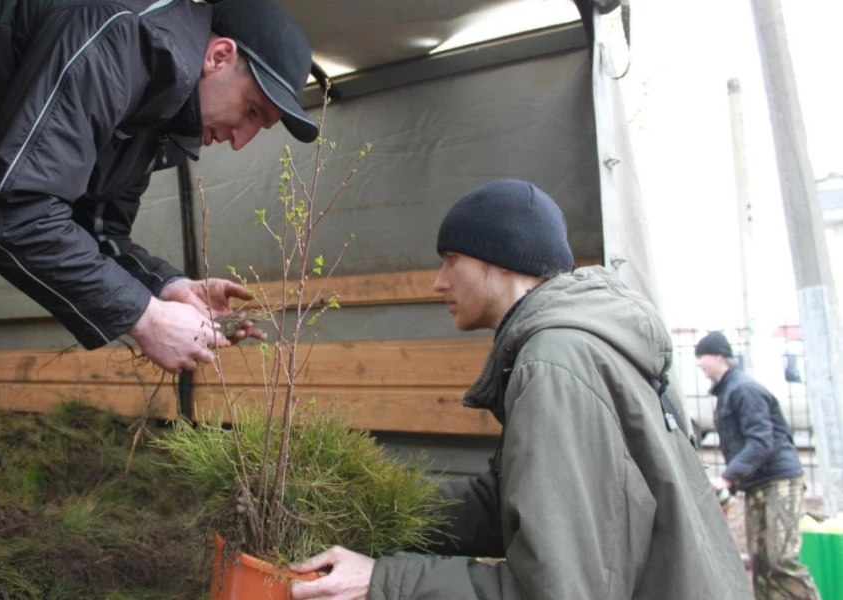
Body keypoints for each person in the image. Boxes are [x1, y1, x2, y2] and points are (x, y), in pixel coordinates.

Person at [0, 0, 317, 594]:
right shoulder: (129, 40)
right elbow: (12, 211)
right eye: (252, 112)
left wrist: (169, 287)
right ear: (219, 56)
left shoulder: (156, 111)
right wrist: (144, 317)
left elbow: (96, 231)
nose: (242, 141)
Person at [290, 179, 751, 599]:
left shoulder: (554, 361)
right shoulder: (585, 344)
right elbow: (511, 506)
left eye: (451, 259)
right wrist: (373, 506)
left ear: (500, 258)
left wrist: (382, 580)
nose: (439, 281)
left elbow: (557, 590)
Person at [695, 331, 820, 599]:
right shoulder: (727, 392)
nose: (698, 363)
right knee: (762, 566)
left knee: (781, 561)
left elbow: (761, 441)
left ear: (719, 355)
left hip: (778, 482)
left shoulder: (743, 390)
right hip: (757, 484)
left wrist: (727, 478)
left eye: (702, 356)